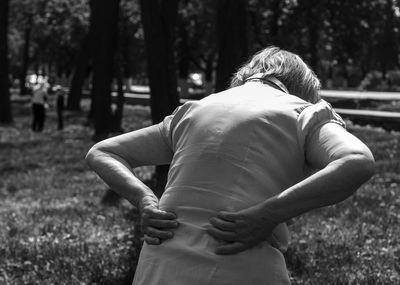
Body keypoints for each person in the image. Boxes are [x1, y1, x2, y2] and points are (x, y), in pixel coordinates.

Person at [85, 46, 375, 284]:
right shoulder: (302, 111)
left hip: (160, 268)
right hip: (242, 266)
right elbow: (357, 161)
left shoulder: (193, 110)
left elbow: (102, 152)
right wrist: (270, 213)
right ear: (301, 89)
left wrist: (144, 199)